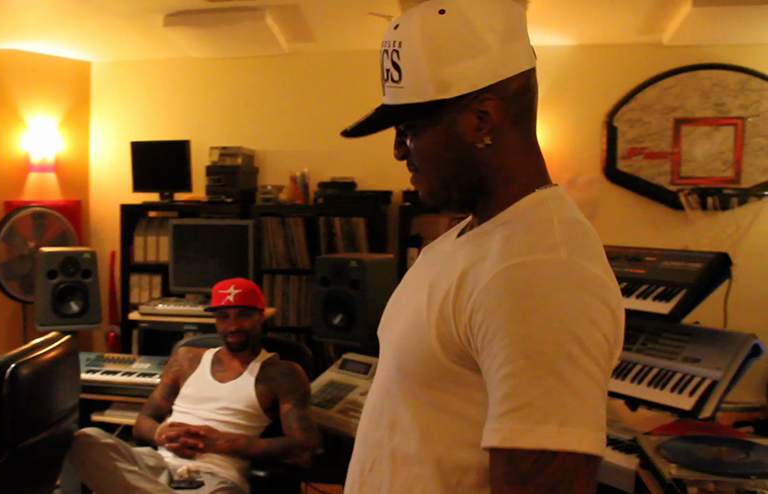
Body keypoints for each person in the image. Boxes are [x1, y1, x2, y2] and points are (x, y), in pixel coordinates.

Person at [339, 1, 624, 493]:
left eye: (409, 129)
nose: (398, 150)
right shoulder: (465, 241)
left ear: (482, 118)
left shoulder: (540, 269)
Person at [68, 277, 319, 494]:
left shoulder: (283, 373)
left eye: (244, 315)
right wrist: (161, 434)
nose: (233, 325)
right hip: (156, 465)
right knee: (85, 440)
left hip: (214, 475)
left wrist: (228, 443)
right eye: (223, 316)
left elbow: (305, 446)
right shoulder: (187, 359)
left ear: (261, 316)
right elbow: (143, 421)